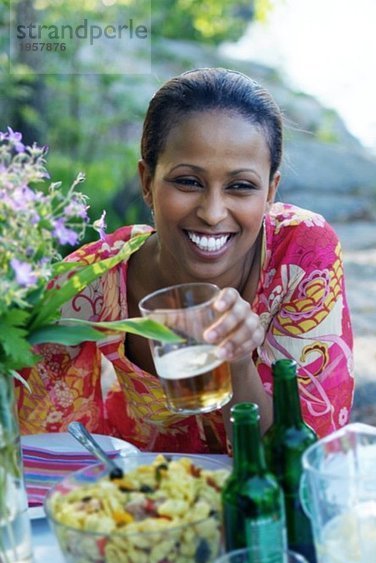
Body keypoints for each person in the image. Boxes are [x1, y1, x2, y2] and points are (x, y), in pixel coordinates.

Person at [17, 67, 354, 453]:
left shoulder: (300, 253)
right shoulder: (87, 283)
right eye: (188, 182)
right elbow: (31, 438)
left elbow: (301, 460)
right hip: (132, 496)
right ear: (147, 182)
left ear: (270, 190)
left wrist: (238, 362)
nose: (212, 212)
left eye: (241, 186)